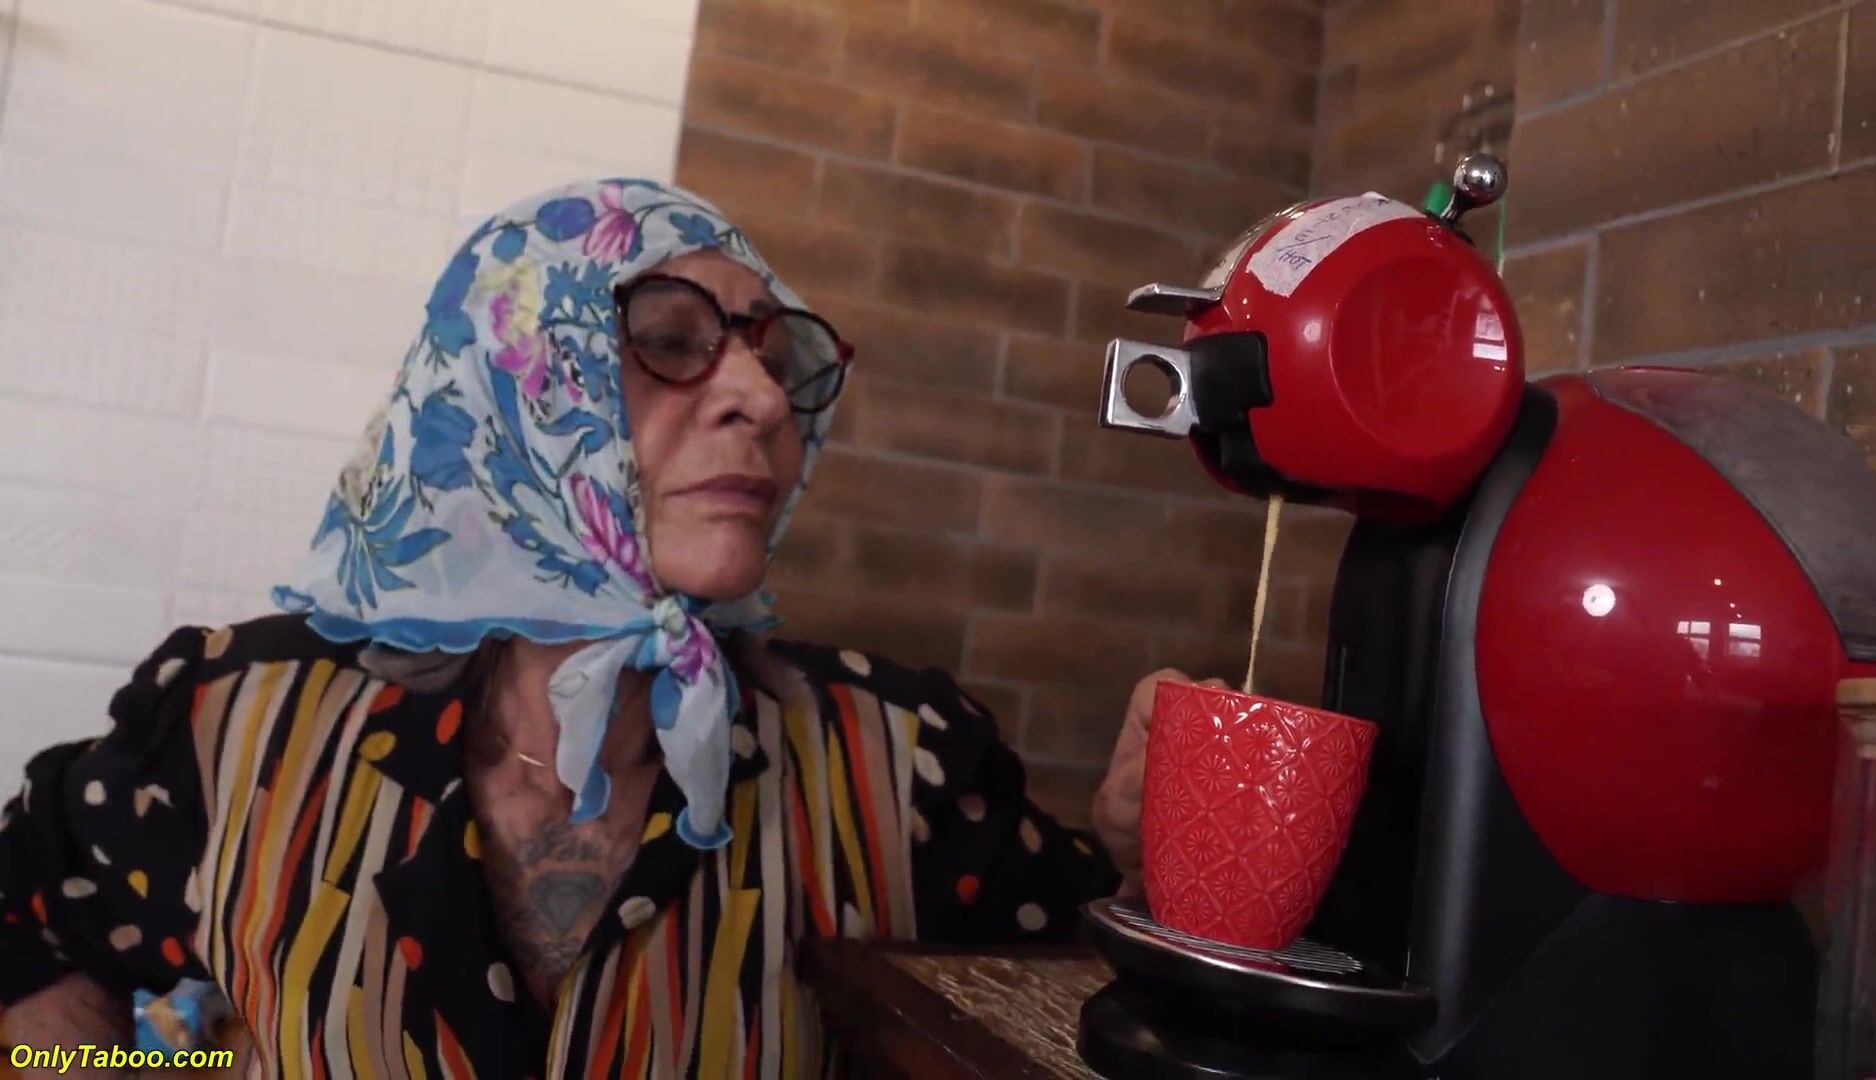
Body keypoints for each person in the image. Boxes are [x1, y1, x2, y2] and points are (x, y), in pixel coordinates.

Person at [0, 179, 1183, 1077]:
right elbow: (22, 929)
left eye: (776, 359)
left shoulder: (899, 760)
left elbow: (1094, 1023)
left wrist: (1154, 874)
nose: (761, 400)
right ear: (509, 387)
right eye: (669, 340)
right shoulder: (233, 723)